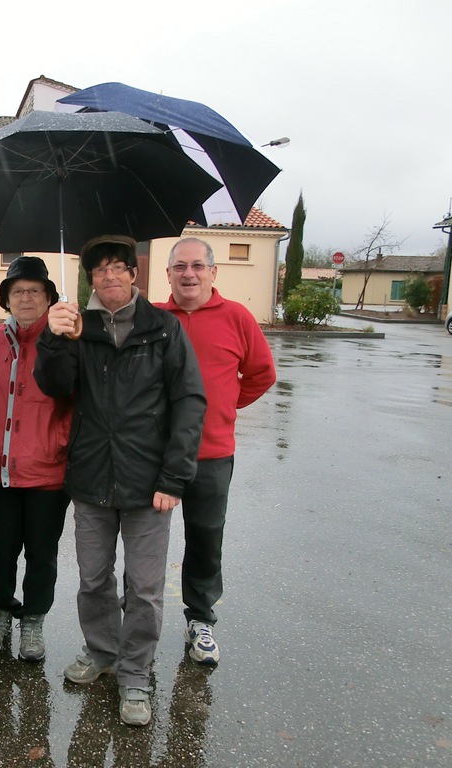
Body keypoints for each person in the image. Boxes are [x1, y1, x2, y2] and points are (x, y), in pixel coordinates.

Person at [34, 235, 206, 727]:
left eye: (118, 268)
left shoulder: (164, 329)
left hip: (150, 484)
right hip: (90, 478)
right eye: (99, 270)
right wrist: (53, 336)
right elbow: (55, 386)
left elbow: (189, 402)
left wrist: (175, 477)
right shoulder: (77, 328)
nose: (109, 277)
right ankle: (102, 651)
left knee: (146, 587)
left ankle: (135, 673)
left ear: (134, 274)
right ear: (90, 279)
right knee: (93, 580)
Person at [157, 237, 276, 665]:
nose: (189, 274)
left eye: (197, 266)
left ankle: (200, 619)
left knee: (206, 537)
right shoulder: (153, 319)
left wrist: (224, 406)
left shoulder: (236, 317)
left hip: (211, 453)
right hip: (155, 456)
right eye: (180, 266)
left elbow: (262, 373)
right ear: (167, 273)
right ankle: (138, 616)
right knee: (144, 540)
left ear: (213, 272)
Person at [0, 256, 72, 661]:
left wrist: (59, 440)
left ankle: (33, 619)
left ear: (49, 296)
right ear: (7, 299)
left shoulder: (66, 338)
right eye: (18, 291)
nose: (26, 298)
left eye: (35, 290)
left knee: (42, 553)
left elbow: (76, 399)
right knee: (0, 549)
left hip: (49, 473)